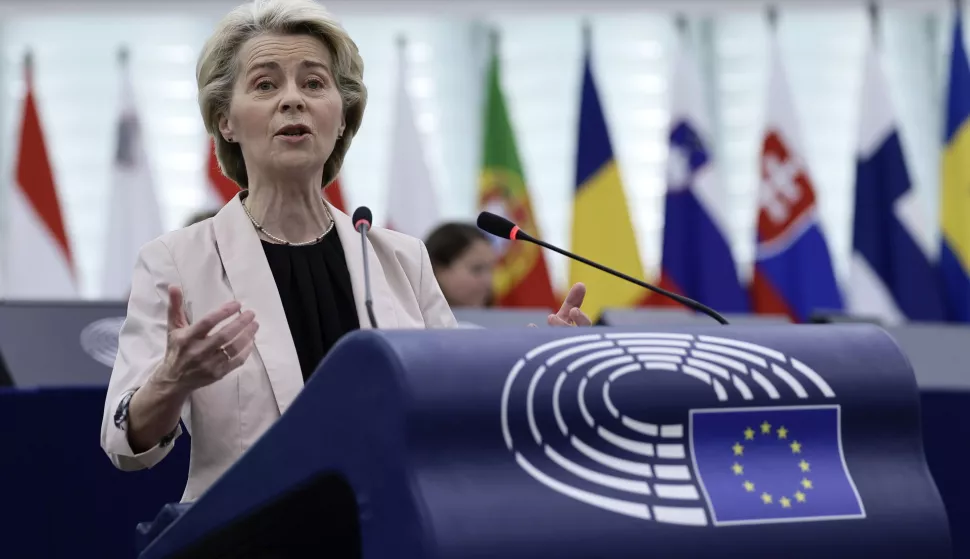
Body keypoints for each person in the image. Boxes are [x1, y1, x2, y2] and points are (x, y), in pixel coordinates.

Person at [100, 0, 591, 503]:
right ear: (225, 121)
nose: (293, 100)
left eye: (313, 83)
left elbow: (455, 408)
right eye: (265, 84)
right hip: (246, 533)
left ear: (341, 116)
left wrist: (540, 370)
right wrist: (172, 380)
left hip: (390, 528)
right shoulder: (177, 260)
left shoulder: (401, 258)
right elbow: (124, 443)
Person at [425, 222, 496, 308]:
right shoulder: (411, 318)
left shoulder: (504, 318)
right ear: (439, 270)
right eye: (477, 269)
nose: (487, 280)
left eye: (490, 269)